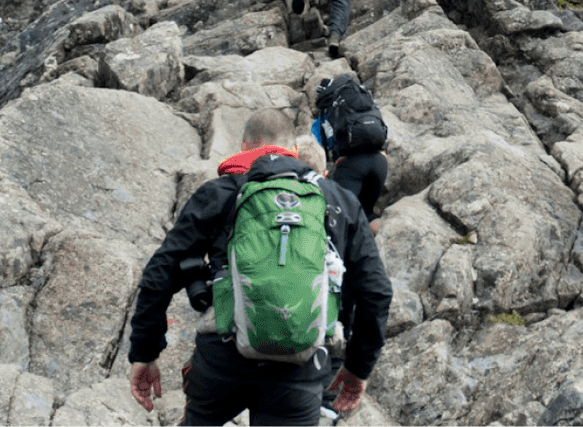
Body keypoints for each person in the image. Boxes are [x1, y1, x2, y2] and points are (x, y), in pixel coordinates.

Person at [127, 107, 392, 427]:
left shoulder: (221, 193)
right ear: (293, 150)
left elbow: (159, 273)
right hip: (300, 367)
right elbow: (375, 290)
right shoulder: (336, 199)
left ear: (244, 147)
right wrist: (357, 369)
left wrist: (145, 353)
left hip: (221, 360)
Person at [311, 76, 389, 220]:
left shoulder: (322, 119)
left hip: (351, 166)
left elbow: (316, 153)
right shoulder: (362, 103)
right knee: (367, 214)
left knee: (342, 217)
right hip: (380, 162)